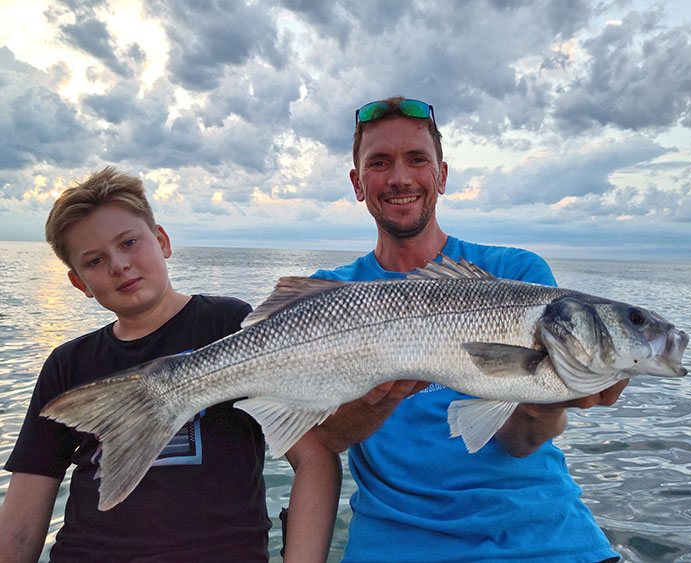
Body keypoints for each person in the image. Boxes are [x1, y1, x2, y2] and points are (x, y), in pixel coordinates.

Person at [312, 97, 625, 562]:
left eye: (417, 159)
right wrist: (381, 396)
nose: (400, 178)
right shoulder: (330, 295)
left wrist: (547, 400)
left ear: (441, 175)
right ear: (358, 184)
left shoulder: (515, 274)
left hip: (544, 543)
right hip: (397, 546)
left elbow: (518, 443)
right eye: (380, 163)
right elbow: (322, 439)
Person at [0, 167, 341, 563]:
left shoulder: (229, 324)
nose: (119, 265)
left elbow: (313, 457)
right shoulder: (68, 363)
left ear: (162, 240)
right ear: (80, 284)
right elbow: (21, 522)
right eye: (95, 261)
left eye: (129, 242)